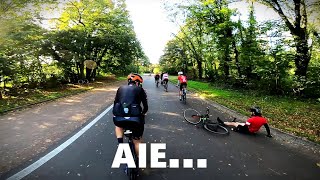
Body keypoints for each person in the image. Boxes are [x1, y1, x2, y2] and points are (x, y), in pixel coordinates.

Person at [113, 73, 148, 160]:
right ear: (137, 82)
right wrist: (143, 113)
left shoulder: (120, 88)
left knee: (118, 125)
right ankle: (140, 159)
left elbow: (115, 103)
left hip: (119, 117)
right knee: (137, 141)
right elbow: (145, 106)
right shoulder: (140, 89)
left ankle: (120, 143)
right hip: (135, 119)